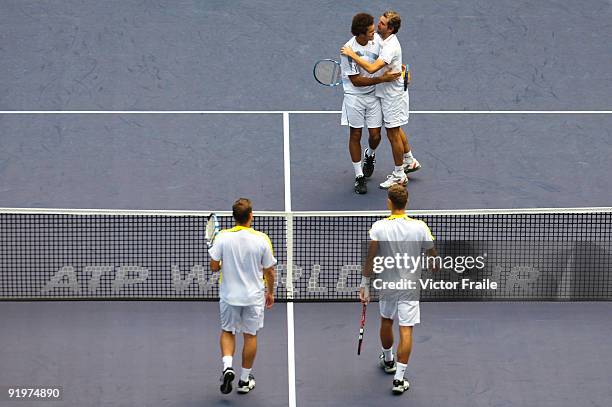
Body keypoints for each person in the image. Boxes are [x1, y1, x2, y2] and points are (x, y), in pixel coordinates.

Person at [360, 185, 436, 394]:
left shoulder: (379, 227)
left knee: (386, 320)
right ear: (407, 202)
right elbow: (434, 259)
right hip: (409, 287)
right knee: (406, 329)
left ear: (389, 202)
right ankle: (399, 379)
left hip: (388, 285)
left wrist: (365, 283)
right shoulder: (420, 227)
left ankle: (388, 360)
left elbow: (371, 257)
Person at [342, 11, 421, 190]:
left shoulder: (384, 43)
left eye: (381, 24)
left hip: (388, 94)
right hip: (367, 95)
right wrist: (402, 71)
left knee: (388, 133)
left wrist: (353, 55)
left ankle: (399, 174)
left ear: (390, 28)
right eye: (374, 27)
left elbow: (372, 68)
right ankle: (407, 161)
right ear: (361, 33)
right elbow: (356, 80)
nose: (377, 28)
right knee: (389, 130)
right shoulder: (377, 40)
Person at [209, 198, 276, 395]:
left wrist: (225, 264)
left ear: (234, 217)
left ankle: (227, 366)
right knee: (250, 335)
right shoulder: (262, 239)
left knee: (227, 331)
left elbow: (214, 267)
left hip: (229, 296)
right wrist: (270, 292)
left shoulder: (222, 237)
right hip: (253, 298)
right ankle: (244, 380)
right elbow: (269, 271)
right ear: (250, 216)